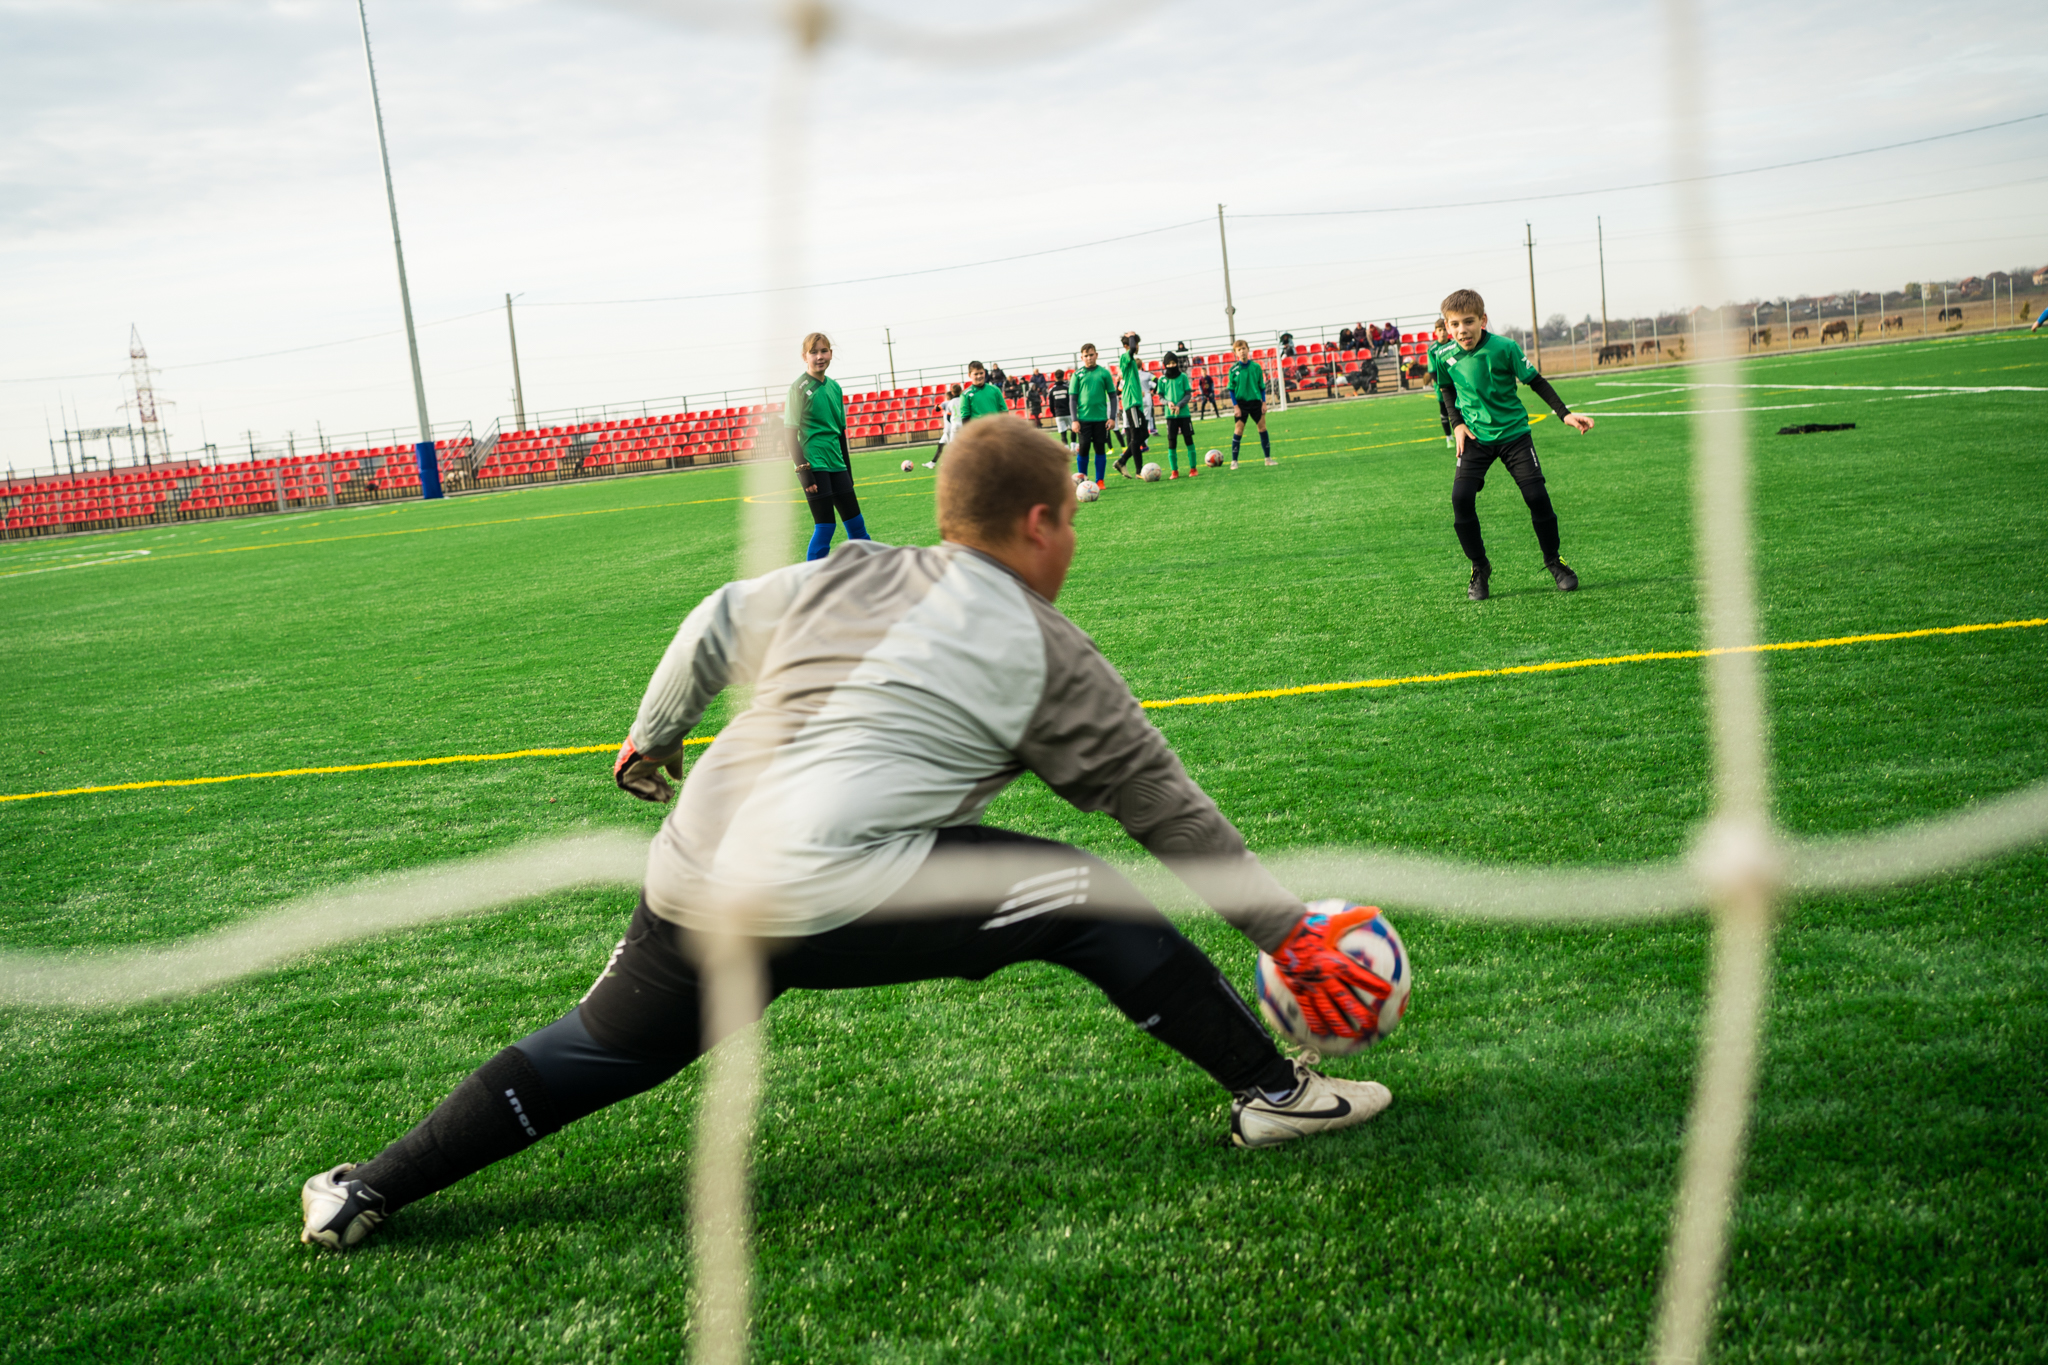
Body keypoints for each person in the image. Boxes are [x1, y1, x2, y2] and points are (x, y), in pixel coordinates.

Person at [297, 416, 1398, 1252]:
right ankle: (1275, 1096)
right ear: (1040, 521)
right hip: (816, 889)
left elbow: (715, 618)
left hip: (691, 863)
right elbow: (1166, 810)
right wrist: (1282, 928)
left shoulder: (857, 569)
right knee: (1080, 894)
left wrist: (651, 739)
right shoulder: (1050, 653)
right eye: (1070, 517)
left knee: (600, 1048)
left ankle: (365, 1189)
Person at [1436, 288, 1591, 602]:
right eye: (1454, 324)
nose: (1461, 330)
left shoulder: (1504, 348)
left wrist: (1564, 414)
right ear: (1446, 326)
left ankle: (1554, 561)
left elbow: (1535, 380)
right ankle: (1479, 568)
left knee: (1536, 496)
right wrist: (1458, 424)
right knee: (1460, 499)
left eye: (1469, 322)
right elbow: (1446, 388)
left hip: (1514, 435)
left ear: (1483, 320)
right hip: (1476, 439)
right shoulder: (1442, 355)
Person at [784, 332, 871, 561]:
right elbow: (790, 433)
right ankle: (812, 584)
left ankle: (873, 575)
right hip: (815, 463)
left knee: (857, 527)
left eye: (824, 351)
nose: (819, 356)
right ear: (805, 356)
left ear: (831, 354)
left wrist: (848, 472)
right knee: (825, 528)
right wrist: (804, 471)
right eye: (814, 352)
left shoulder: (835, 387)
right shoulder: (798, 388)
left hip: (837, 463)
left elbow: (841, 433)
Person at [1070, 344, 1116, 485]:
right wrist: (1074, 420)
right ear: (1082, 357)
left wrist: (1112, 417)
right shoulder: (1077, 374)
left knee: (1100, 448)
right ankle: (1082, 480)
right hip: (1083, 419)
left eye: (1091, 355)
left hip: (1101, 419)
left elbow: (1113, 396)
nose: (1089, 358)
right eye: (1086, 356)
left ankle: (1100, 481)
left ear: (1096, 355)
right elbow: (1072, 398)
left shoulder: (1104, 373)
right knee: (1083, 448)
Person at [1226, 339, 1273, 469]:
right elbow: (1231, 389)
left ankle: (1268, 459)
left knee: (1262, 428)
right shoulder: (1233, 369)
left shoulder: (1256, 367)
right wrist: (1236, 406)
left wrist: (1264, 403)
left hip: (1256, 402)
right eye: (1239, 349)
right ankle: (1234, 461)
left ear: (1248, 349)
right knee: (1238, 430)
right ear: (1236, 353)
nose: (1242, 351)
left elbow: (1261, 386)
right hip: (1241, 404)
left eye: (1243, 348)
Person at [1111, 331, 1150, 477]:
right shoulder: (1125, 356)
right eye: (1136, 343)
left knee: (1144, 433)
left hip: (1136, 402)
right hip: (1131, 402)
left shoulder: (1131, 360)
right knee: (1135, 436)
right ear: (1127, 345)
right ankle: (1138, 470)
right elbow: (1132, 349)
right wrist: (1132, 336)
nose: (1137, 346)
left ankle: (1122, 461)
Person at [1155, 352, 1198, 478]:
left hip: (1184, 414)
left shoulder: (1183, 377)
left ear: (1177, 363)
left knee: (1188, 440)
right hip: (1170, 416)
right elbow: (1160, 397)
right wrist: (1168, 403)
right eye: (1169, 363)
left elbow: (1188, 394)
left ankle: (1193, 468)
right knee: (1172, 442)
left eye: (1173, 363)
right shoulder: (1162, 379)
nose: (1171, 365)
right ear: (1165, 364)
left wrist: (1179, 405)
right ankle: (1174, 471)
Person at [1424, 317, 1459, 448]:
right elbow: (1432, 370)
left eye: (1444, 329)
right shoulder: (1433, 350)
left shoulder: (1455, 345)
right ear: (1435, 332)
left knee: (1461, 409)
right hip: (1442, 386)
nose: (1443, 332)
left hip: (1456, 384)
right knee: (1445, 410)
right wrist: (1442, 384)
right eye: (1440, 330)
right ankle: (1449, 438)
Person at [924, 383, 963, 468]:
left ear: (951, 394)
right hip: (963, 424)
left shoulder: (948, 403)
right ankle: (933, 462)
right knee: (942, 445)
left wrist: (937, 406)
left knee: (951, 446)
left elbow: (938, 409)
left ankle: (950, 463)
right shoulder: (963, 400)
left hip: (951, 428)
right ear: (961, 391)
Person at [1048, 369, 1074, 453]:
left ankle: (1066, 450)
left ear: (1055, 377)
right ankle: (1074, 449)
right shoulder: (1067, 388)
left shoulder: (1052, 390)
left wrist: (1054, 414)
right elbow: (1071, 401)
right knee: (1073, 430)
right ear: (1063, 376)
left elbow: (1051, 405)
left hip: (1059, 414)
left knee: (1063, 433)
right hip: (1069, 413)